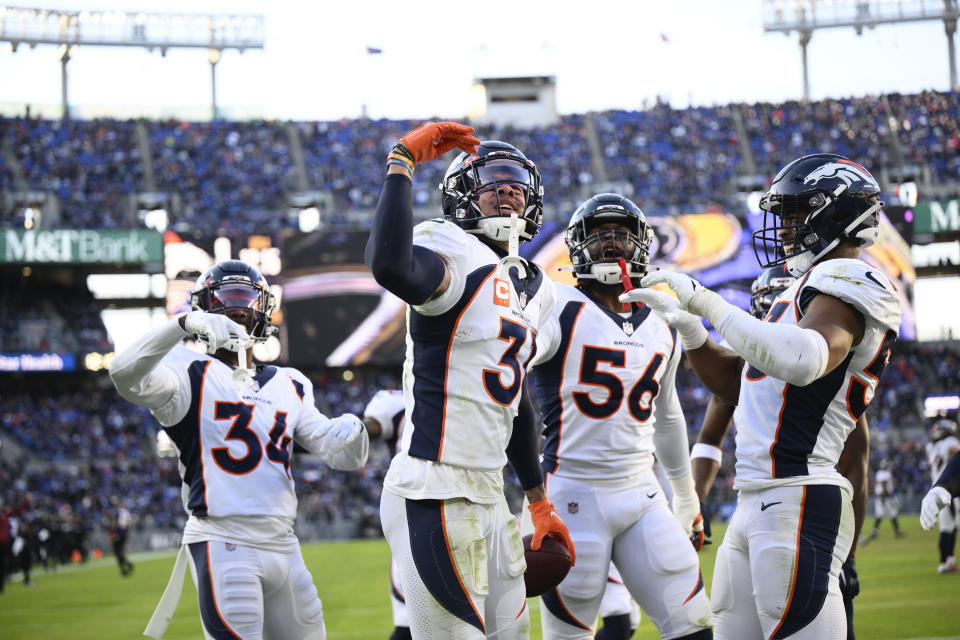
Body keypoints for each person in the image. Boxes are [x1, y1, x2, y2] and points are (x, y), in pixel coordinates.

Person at [623, 154, 901, 640]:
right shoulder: (799, 291)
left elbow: (803, 359)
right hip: (755, 497)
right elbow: (739, 379)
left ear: (837, 215)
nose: (786, 228)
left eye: (796, 215)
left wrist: (708, 301)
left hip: (799, 492)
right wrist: (691, 327)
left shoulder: (854, 280)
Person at [365, 121, 575, 638]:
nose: (507, 191)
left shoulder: (535, 288)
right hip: (433, 487)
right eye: (492, 182)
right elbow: (390, 267)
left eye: (517, 185)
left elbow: (516, 401)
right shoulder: (452, 249)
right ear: (462, 197)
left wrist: (538, 500)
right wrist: (401, 164)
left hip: (489, 493)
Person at [110, 259, 369, 640]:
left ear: (263, 307)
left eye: (246, 300)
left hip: (284, 543)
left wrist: (352, 435)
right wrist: (180, 326)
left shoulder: (290, 382)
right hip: (224, 540)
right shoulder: (186, 370)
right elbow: (123, 372)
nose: (238, 310)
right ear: (204, 309)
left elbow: (333, 448)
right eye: (226, 300)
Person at [528, 193, 711, 639]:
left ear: (643, 244)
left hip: (641, 492)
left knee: (695, 625)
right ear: (577, 247)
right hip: (571, 493)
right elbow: (508, 374)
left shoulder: (663, 319)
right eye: (599, 235)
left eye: (623, 234)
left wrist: (685, 497)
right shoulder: (556, 307)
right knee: (570, 634)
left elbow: (666, 417)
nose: (612, 244)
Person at [690, 265, 870, 640]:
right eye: (767, 302)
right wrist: (694, 501)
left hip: (808, 504)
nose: (771, 308)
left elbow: (856, 464)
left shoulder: (824, 366)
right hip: (752, 503)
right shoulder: (748, 369)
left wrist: (849, 556)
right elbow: (709, 438)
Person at [361, 389, 411, 640]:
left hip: (475, 510)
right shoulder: (397, 400)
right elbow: (363, 432)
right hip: (416, 519)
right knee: (410, 622)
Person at [921, 418, 960, 573]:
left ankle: (944, 562)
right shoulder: (951, 442)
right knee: (956, 524)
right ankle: (949, 560)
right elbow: (956, 456)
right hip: (950, 489)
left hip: (934, 491)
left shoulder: (931, 446)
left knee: (945, 528)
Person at [861, 457, 904, 543]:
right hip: (885, 497)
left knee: (882, 514)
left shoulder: (880, 473)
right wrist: (886, 494)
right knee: (891, 514)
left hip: (882, 496)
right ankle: (896, 532)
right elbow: (884, 483)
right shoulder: (884, 473)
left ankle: (875, 532)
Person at [110, 503, 135, 577]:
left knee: (117, 551)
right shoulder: (127, 512)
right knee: (120, 550)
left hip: (118, 533)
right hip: (125, 533)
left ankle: (125, 567)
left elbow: (114, 523)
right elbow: (130, 524)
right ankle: (125, 566)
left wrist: (112, 532)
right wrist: (126, 531)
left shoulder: (118, 512)